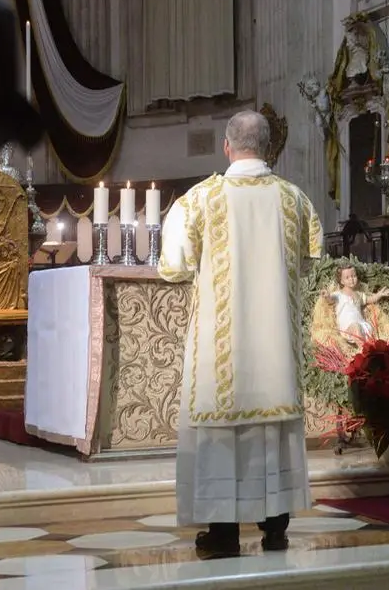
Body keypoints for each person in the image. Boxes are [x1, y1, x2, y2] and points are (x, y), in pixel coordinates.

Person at [158, 110, 324, 556]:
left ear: (227, 147)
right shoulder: (295, 200)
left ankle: (223, 532)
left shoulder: (199, 200)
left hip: (221, 348)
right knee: (273, 434)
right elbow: (311, 260)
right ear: (269, 148)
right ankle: (275, 528)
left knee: (223, 437)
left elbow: (173, 267)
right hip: (274, 349)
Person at [320, 264, 389, 341]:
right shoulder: (338, 294)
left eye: (353, 276)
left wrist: (379, 295)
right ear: (341, 281)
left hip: (361, 324)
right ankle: (363, 349)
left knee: (369, 329)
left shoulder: (358, 295)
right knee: (356, 328)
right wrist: (327, 296)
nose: (351, 279)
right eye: (347, 277)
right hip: (348, 327)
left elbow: (370, 299)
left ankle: (368, 347)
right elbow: (330, 300)